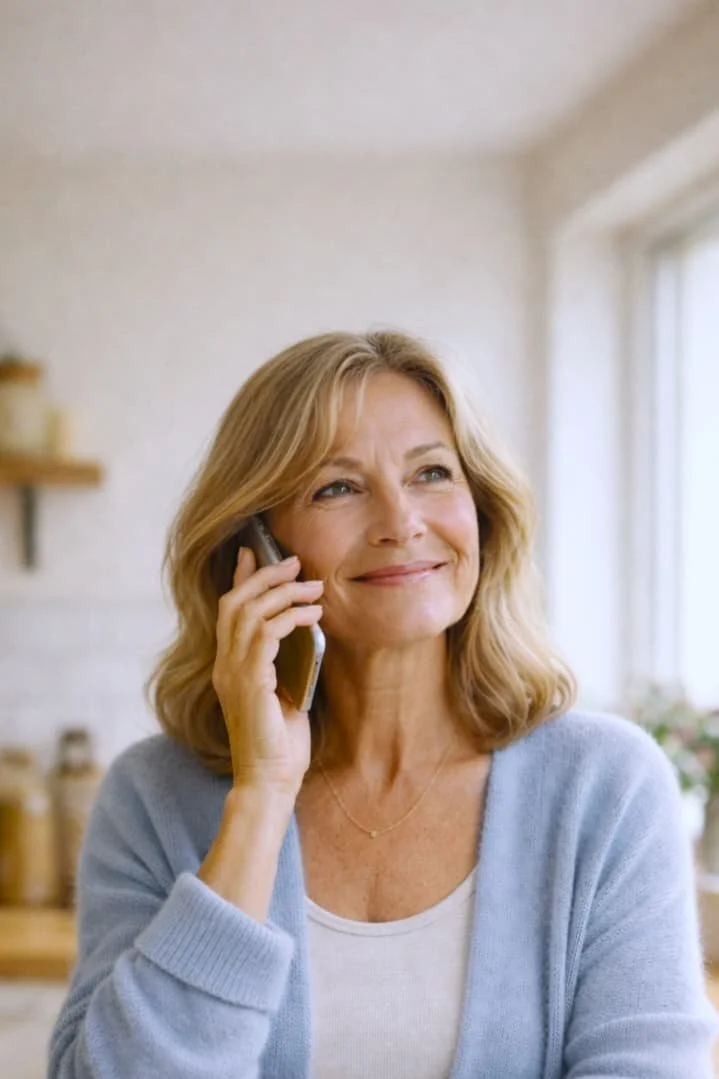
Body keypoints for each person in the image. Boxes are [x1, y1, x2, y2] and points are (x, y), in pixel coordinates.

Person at [49, 330, 717, 1078]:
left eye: (431, 472)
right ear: (257, 549)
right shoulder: (153, 798)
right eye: (337, 486)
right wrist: (260, 797)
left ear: (481, 512)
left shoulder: (607, 788)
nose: (401, 521)